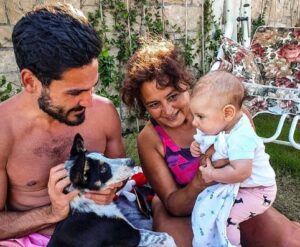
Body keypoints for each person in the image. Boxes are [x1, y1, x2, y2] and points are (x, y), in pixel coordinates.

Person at [121, 38, 300, 247]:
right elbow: (173, 204)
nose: (168, 110)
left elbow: (249, 171)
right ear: (143, 107)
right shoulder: (150, 139)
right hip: (181, 207)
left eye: (173, 96)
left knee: (290, 241)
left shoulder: (231, 118)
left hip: (229, 198)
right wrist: (201, 180)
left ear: (185, 84)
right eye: (154, 104)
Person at [0, 3, 131, 245]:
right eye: (75, 92)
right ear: (30, 81)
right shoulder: (3, 131)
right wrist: (52, 213)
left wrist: (111, 188)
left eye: (92, 87)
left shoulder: (104, 113)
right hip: (34, 238)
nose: (89, 102)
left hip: (102, 230)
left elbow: (122, 175)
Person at [189, 71, 277, 246]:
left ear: (227, 113)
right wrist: (196, 146)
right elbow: (210, 141)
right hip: (243, 187)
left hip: (259, 191)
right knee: (209, 209)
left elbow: (241, 172)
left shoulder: (241, 136)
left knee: (225, 218)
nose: (194, 122)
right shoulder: (224, 123)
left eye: (200, 116)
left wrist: (213, 174)